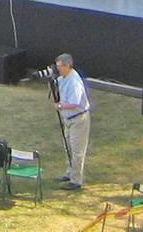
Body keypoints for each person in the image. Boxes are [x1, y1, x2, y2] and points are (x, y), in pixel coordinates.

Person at [52, 54, 90, 190]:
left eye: (59, 67)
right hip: (68, 119)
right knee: (68, 147)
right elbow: (57, 86)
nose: (58, 70)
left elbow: (75, 102)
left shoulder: (74, 81)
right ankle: (70, 172)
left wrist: (60, 106)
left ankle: (76, 180)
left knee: (77, 150)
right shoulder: (63, 78)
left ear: (67, 66)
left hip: (78, 119)